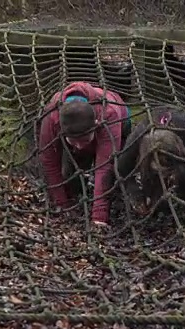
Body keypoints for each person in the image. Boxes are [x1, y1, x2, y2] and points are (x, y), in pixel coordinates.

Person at [38, 82, 131, 227]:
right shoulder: (51, 116)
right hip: (81, 129)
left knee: (118, 170)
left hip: (120, 119)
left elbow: (104, 166)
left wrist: (99, 216)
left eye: (84, 140)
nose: (80, 145)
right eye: (74, 141)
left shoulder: (108, 113)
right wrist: (61, 205)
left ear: (96, 124)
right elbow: (49, 161)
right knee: (71, 181)